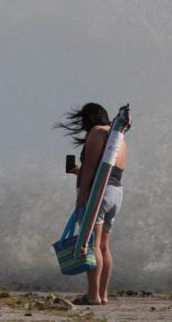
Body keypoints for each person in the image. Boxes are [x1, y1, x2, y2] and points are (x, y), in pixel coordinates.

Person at [56, 103, 127, 305]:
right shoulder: (118, 136)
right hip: (116, 192)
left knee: (92, 243)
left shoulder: (96, 132)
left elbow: (90, 166)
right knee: (104, 246)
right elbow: (108, 170)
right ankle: (103, 295)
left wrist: (81, 195)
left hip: (98, 194)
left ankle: (93, 295)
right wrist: (77, 171)